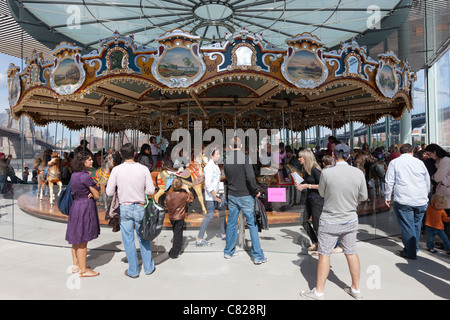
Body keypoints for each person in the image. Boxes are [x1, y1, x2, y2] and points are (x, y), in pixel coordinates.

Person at [300, 144, 367, 300]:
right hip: (350, 218)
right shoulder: (358, 173)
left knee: (324, 254)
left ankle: (319, 292)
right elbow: (363, 196)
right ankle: (356, 289)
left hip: (330, 219)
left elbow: (322, 193)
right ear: (349, 155)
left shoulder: (327, 173)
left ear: (333, 154)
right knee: (351, 252)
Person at [106, 143, 156, 278]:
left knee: (128, 240)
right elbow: (151, 190)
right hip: (140, 206)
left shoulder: (116, 170)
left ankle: (133, 271)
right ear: (135, 154)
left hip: (125, 207)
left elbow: (109, 192)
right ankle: (149, 267)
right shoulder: (143, 169)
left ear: (122, 155)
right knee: (144, 238)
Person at [224, 136, 267, 264]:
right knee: (252, 224)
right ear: (241, 146)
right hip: (246, 195)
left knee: (232, 222)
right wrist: (255, 191)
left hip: (232, 194)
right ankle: (258, 255)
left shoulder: (226, 160)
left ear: (231, 147)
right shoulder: (245, 159)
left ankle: (229, 251)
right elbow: (250, 177)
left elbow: (226, 176)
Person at [384, 143, 430, 260]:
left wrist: (387, 197)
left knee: (407, 226)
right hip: (421, 199)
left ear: (400, 152)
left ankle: (410, 252)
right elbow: (427, 180)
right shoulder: (420, 163)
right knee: (416, 225)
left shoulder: (395, 163)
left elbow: (389, 181)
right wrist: (426, 195)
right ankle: (414, 248)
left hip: (404, 199)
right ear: (412, 152)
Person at [65, 151, 101, 277]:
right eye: (89, 159)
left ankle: (76, 265)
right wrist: (95, 190)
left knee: (76, 238)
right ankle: (84, 270)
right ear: (83, 162)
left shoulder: (74, 175)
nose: (92, 161)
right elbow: (97, 195)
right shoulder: (86, 176)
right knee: (83, 240)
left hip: (76, 206)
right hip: (85, 207)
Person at [196, 147, 227, 246]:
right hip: (212, 196)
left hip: (217, 194)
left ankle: (223, 234)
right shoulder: (209, 167)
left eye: (219, 154)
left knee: (222, 213)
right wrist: (216, 197)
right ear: (211, 155)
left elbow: (217, 181)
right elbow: (208, 184)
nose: (219, 156)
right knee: (209, 216)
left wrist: (220, 195)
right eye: (217, 154)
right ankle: (200, 239)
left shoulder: (216, 165)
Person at [295, 149, 324, 252]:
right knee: (304, 220)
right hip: (310, 198)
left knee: (317, 223)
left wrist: (307, 186)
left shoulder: (315, 170)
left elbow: (322, 186)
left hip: (317, 199)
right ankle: (315, 241)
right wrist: (301, 184)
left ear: (306, 158)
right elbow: (307, 182)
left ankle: (322, 246)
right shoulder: (306, 169)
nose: (299, 159)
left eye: (300, 157)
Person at [425, 143, 450, 239]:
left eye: (429, 154)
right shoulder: (442, 160)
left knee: (446, 219)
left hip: (446, 193)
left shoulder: (445, 160)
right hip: (444, 191)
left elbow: (438, 177)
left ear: (435, 152)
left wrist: (432, 177)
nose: (429, 156)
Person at [165, 178, 194, 258]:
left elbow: (165, 204)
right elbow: (191, 199)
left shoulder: (169, 195)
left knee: (176, 232)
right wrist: (187, 189)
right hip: (179, 217)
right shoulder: (183, 195)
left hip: (172, 216)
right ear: (181, 186)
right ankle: (175, 252)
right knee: (178, 233)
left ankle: (176, 248)